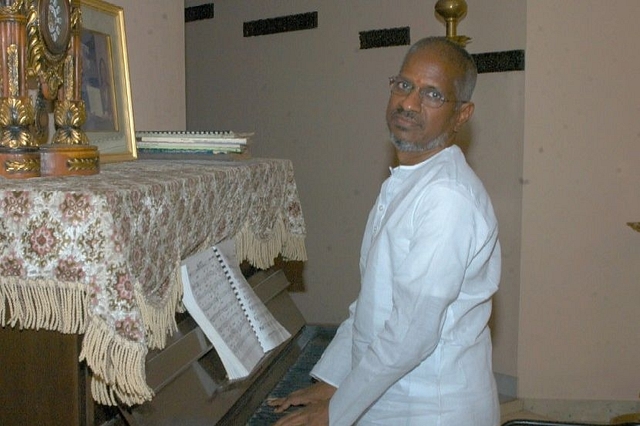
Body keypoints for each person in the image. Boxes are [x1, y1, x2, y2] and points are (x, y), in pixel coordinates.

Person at [269, 36, 501, 426]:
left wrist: (336, 411)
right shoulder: (411, 178)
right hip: (392, 397)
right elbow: (374, 304)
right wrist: (331, 379)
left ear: (462, 114)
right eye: (404, 85)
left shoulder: (447, 198)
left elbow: (412, 332)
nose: (409, 103)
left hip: (428, 409)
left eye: (431, 94)